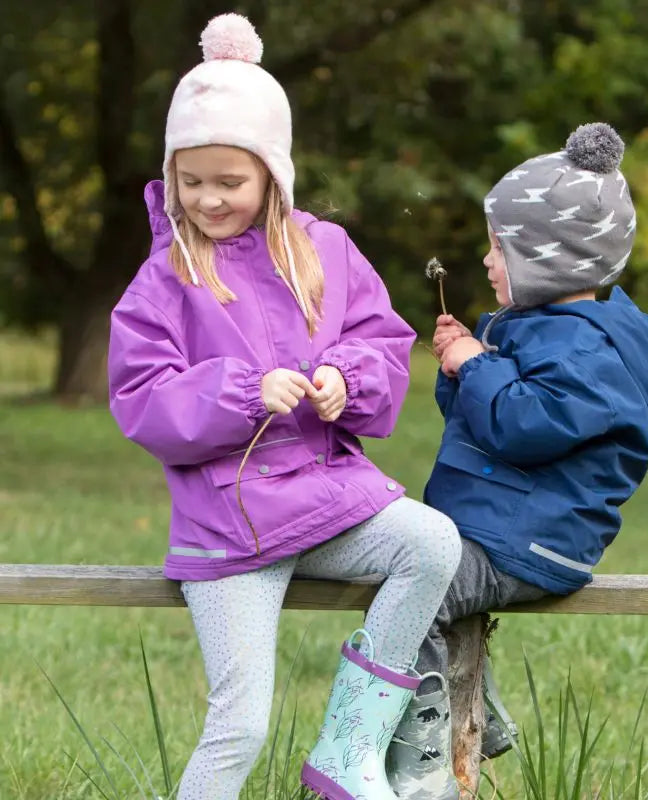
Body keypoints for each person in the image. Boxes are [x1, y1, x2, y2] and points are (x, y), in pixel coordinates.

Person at [107, 14, 461, 800]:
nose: (207, 199)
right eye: (190, 181)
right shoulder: (164, 279)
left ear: (272, 173)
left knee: (432, 541)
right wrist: (241, 393)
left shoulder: (326, 250)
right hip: (228, 530)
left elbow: (381, 339)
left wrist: (346, 379)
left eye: (228, 181)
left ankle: (352, 742)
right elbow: (141, 398)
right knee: (240, 725)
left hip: (327, 501)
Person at [384, 123, 648, 799]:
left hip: (531, 541)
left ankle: (420, 762)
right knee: (413, 564)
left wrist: (476, 366)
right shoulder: (543, 331)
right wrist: (463, 365)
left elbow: (523, 425)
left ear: (553, 261)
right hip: (507, 529)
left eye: (500, 247)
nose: (487, 260)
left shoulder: (586, 351)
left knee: (416, 589)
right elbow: (482, 423)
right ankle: (477, 718)